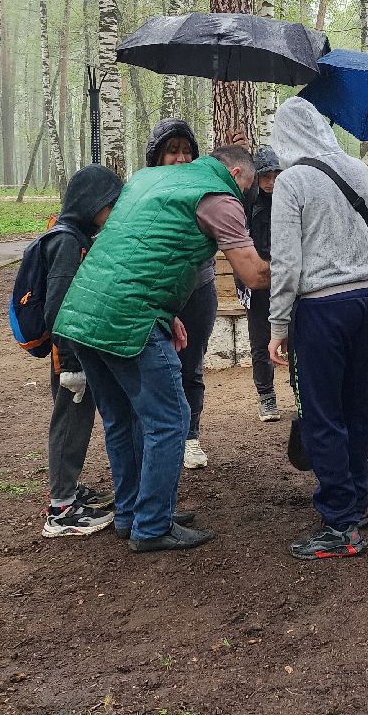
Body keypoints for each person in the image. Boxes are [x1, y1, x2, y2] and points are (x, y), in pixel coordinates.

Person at [54, 146, 270, 553]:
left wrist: (167, 311)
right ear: (237, 172)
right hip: (127, 317)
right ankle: (153, 525)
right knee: (170, 418)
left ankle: (132, 513)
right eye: (249, 186)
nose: (247, 195)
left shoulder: (146, 178)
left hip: (83, 312)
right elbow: (253, 275)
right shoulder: (220, 198)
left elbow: (135, 249)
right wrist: (300, 269)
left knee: (123, 418)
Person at [267, 97, 368, 561]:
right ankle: (357, 501)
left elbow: (286, 262)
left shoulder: (292, 181)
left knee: (322, 412)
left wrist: (277, 325)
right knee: (357, 403)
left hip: (322, 306)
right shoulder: (357, 169)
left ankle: (339, 525)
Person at [38, 165, 123, 538]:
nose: (113, 212)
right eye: (111, 204)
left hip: (77, 350)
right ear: (92, 203)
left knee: (77, 422)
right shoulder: (68, 241)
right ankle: (60, 510)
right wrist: (72, 362)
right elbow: (58, 307)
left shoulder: (77, 236)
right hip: (69, 354)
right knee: (69, 423)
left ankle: (68, 490)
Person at [143, 118, 217, 469]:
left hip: (198, 289)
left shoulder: (204, 189)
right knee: (156, 367)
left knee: (191, 366)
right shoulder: (144, 191)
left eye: (187, 151)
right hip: (155, 294)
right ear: (156, 156)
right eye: (172, 151)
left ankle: (190, 437)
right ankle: (155, 436)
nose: (181, 158)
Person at [246, 146, 283, 422]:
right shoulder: (248, 202)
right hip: (256, 282)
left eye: (275, 175)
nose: (270, 182)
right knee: (260, 341)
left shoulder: (289, 198)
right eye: (265, 176)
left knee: (294, 336)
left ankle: (300, 390)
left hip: (286, 279)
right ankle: (266, 397)